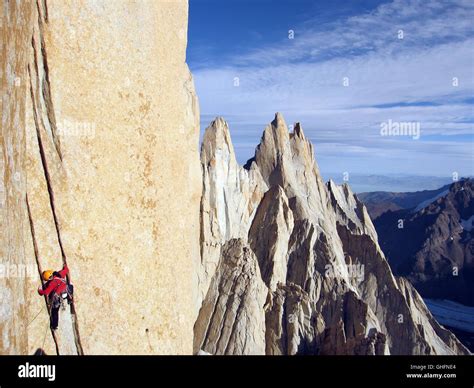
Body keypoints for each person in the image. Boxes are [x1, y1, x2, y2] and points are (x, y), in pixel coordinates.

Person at [37, 265, 72, 330]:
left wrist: (40, 291)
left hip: (58, 298)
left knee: (54, 311)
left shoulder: (51, 283)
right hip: (66, 293)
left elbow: (46, 292)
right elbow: (66, 270)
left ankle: (54, 326)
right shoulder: (60, 274)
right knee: (70, 286)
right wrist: (65, 266)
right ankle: (70, 299)